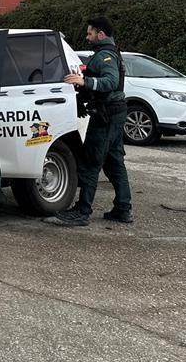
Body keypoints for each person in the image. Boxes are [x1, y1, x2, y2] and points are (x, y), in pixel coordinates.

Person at [46, 16, 134, 227]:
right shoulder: (110, 53)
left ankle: (82, 211)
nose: (87, 37)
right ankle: (123, 209)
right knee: (114, 164)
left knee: (89, 163)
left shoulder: (105, 56)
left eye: (90, 33)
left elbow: (111, 81)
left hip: (106, 115)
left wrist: (84, 81)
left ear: (100, 34)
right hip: (113, 113)